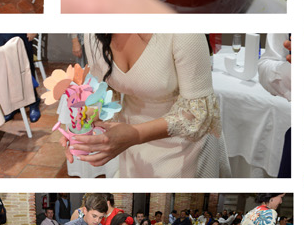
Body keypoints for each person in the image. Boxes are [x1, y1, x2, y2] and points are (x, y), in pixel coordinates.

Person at [66, 34, 223, 177]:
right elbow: (103, 88)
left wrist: (136, 134)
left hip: (185, 146)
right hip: (131, 144)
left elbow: (198, 114)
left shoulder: (182, 32)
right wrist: (82, 122)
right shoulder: (94, 34)